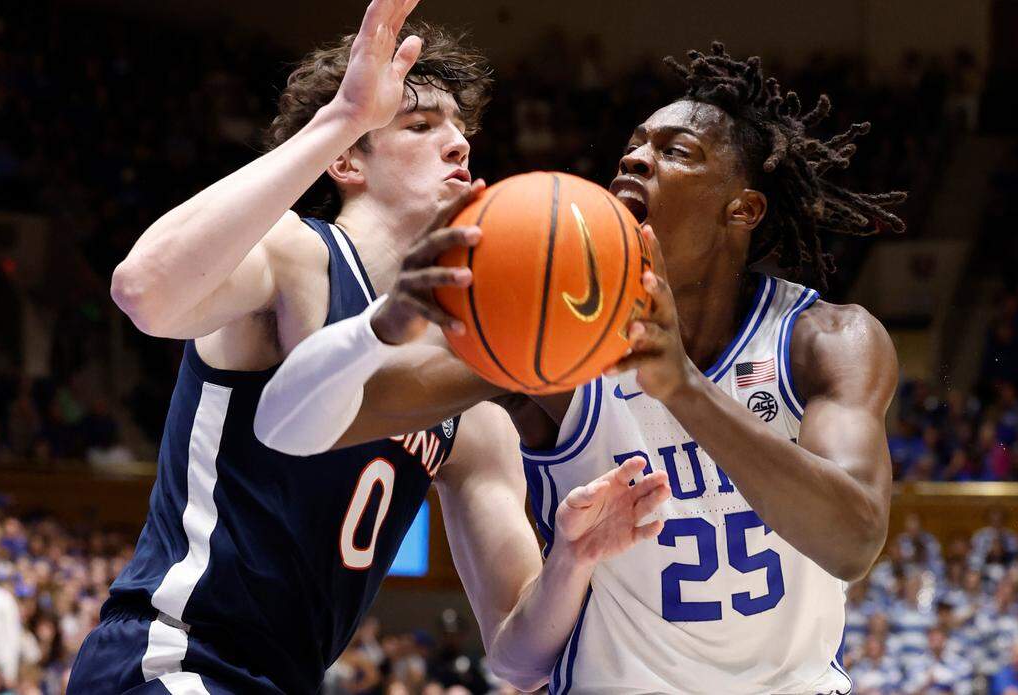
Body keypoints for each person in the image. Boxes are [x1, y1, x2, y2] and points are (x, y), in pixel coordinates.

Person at [258, 43, 904, 693]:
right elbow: (301, 428)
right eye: (633, 146)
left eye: (674, 151)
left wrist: (683, 389)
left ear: (743, 207)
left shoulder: (823, 341)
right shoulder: (554, 339)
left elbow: (852, 539)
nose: (634, 158)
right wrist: (379, 327)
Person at [68, 2, 669, 693]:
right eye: (420, 125)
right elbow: (143, 290)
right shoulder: (295, 258)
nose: (460, 145)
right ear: (347, 161)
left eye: (462, 131)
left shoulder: (469, 407)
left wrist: (572, 556)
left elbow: (516, 659)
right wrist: (342, 116)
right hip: (174, 654)